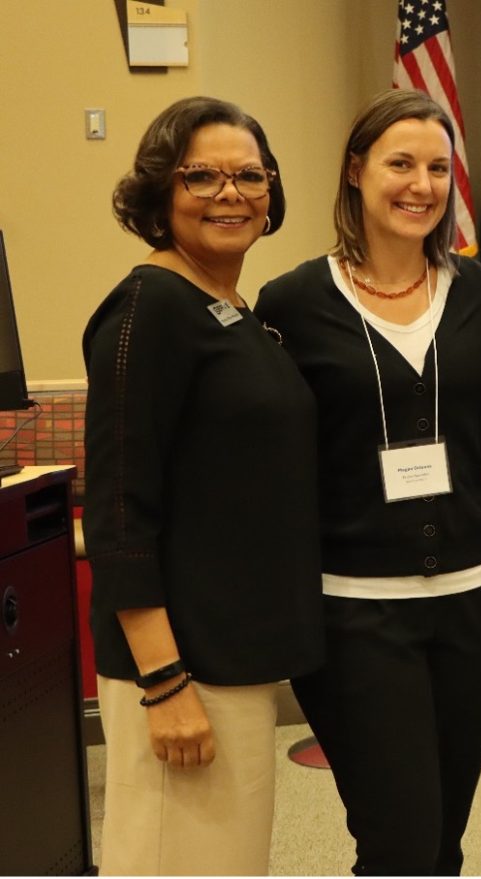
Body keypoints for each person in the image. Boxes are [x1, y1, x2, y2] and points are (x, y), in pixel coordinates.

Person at [254, 89, 481, 876]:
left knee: (441, 844)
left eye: (438, 168)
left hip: (475, 603)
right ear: (356, 172)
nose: (421, 184)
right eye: (401, 163)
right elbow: (282, 454)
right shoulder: (293, 303)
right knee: (397, 843)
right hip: (353, 615)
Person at [82, 97, 323, 875]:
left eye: (249, 175)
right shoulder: (146, 311)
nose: (231, 193)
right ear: (160, 191)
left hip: (232, 659)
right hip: (182, 668)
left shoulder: (225, 305)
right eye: (202, 176)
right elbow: (120, 511)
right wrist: (164, 682)